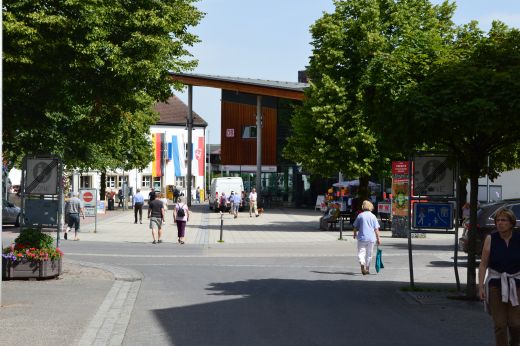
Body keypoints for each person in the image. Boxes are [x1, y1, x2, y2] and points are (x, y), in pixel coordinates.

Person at [479, 208, 520, 346]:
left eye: (503, 220)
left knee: (516, 324)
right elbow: (483, 264)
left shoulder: (519, 238)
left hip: (516, 284)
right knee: (500, 325)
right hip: (495, 285)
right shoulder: (491, 239)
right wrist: (480, 287)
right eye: (498, 220)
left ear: (511, 223)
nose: (500, 223)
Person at [352, 200, 381, 275]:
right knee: (369, 254)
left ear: (363, 206)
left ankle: (362, 263)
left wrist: (354, 234)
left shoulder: (360, 215)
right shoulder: (373, 216)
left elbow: (355, 226)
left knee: (361, 252)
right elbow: (376, 229)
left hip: (362, 237)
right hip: (371, 238)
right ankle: (367, 268)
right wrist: (378, 238)